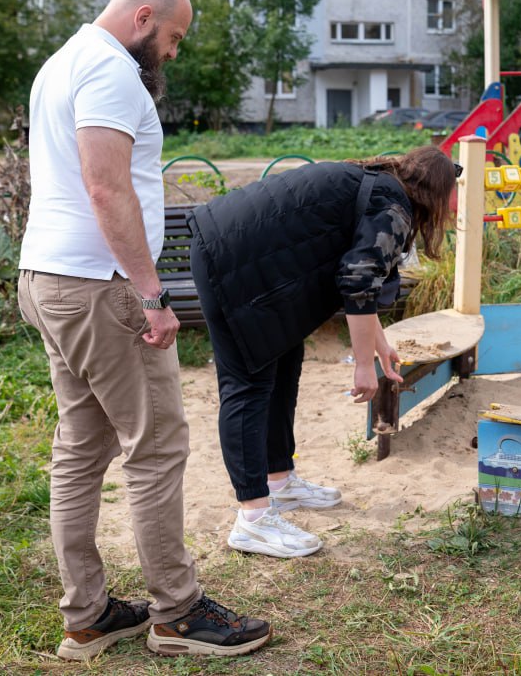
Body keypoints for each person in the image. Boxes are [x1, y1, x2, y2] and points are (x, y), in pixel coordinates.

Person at [17, 0, 270, 662]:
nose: (172, 53)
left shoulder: (61, 63)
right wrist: (151, 292)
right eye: (173, 38)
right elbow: (105, 186)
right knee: (156, 446)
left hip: (48, 276)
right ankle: (178, 613)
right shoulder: (108, 73)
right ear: (143, 17)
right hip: (100, 288)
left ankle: (89, 614)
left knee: (80, 447)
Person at [189, 146, 457, 558]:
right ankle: (254, 519)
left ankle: (280, 480)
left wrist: (380, 346)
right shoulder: (393, 206)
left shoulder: (383, 189)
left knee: (284, 359)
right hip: (234, 263)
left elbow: (358, 276)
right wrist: (364, 366)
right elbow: (358, 279)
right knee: (249, 382)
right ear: (436, 193)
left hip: (252, 261)